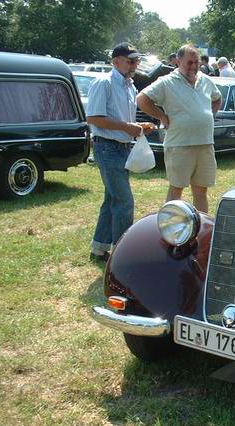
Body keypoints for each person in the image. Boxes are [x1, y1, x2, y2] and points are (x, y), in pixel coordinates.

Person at [86, 42, 154, 262]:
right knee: (124, 201)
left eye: (136, 60)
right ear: (116, 62)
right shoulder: (103, 83)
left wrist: (138, 127)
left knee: (112, 199)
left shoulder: (130, 86)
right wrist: (127, 127)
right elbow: (94, 118)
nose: (134, 64)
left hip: (121, 148)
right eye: (130, 60)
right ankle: (123, 255)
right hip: (106, 147)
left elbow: (121, 120)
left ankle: (99, 249)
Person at [136, 44, 222, 213]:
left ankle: (201, 231)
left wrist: (210, 114)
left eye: (196, 62)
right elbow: (142, 99)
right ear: (178, 61)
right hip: (179, 145)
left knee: (201, 191)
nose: (194, 66)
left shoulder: (205, 80)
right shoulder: (167, 82)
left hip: (205, 143)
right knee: (176, 190)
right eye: (189, 62)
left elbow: (217, 98)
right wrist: (161, 116)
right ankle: (170, 230)